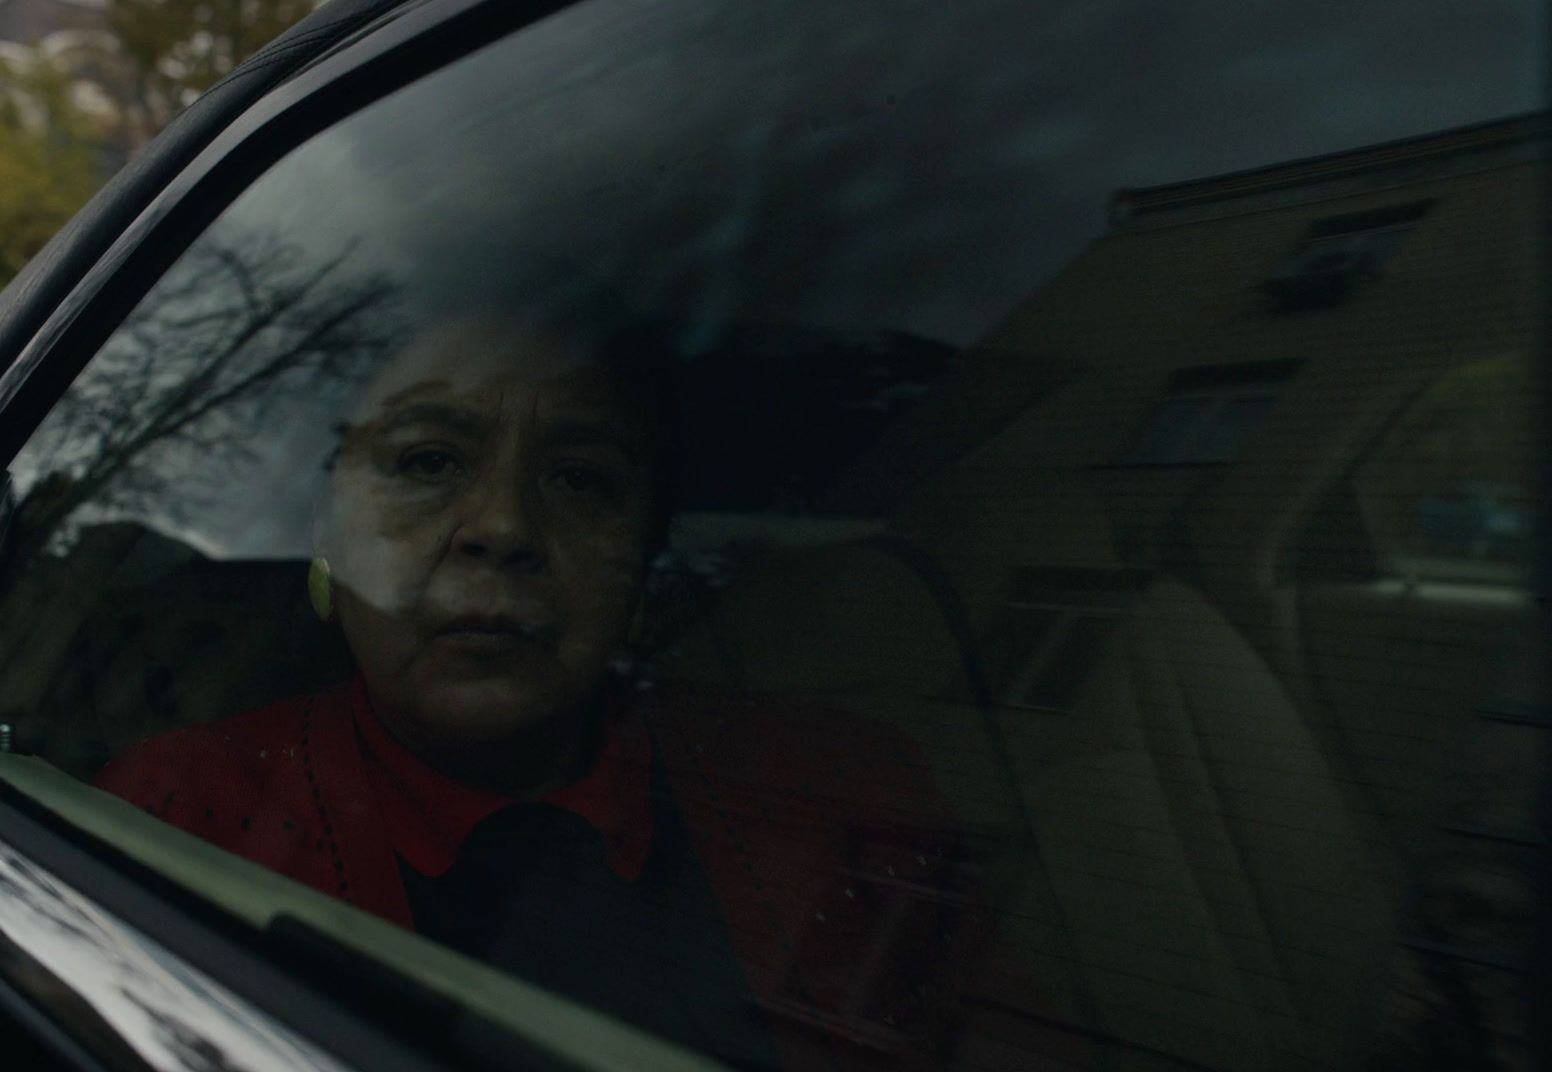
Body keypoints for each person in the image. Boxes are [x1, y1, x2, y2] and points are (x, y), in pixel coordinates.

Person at [94, 310, 999, 1071]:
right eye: (426, 461)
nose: (500, 526)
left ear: (643, 560)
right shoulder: (176, 806)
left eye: (580, 479)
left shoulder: (842, 792)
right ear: (326, 536)